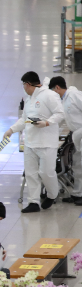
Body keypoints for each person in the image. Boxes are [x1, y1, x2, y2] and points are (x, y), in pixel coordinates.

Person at [3, 71, 64, 213]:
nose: (24, 88)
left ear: (28, 84)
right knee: (31, 174)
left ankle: (52, 194)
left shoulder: (49, 95)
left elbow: (60, 114)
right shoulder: (29, 99)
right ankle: (33, 202)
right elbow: (25, 119)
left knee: (46, 172)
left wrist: (47, 123)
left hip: (47, 142)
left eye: (24, 85)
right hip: (30, 142)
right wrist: (11, 130)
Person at [49, 76, 82, 205]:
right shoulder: (63, 100)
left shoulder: (74, 95)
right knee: (77, 165)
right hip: (77, 135)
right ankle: (77, 194)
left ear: (57, 87)